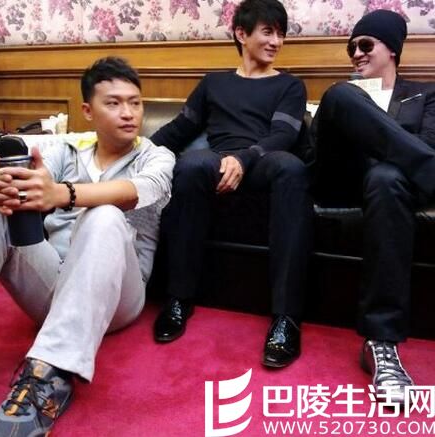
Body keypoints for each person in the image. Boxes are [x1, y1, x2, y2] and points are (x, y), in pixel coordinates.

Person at [0, 57, 175, 436]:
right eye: (114, 103)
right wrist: (14, 189)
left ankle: (49, 376)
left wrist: (61, 193)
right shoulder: (66, 151)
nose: (128, 113)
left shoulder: (156, 155)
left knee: (104, 215)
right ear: (88, 111)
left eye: (135, 103)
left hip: (118, 299)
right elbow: (37, 181)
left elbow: (135, 191)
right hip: (51, 283)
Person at [151, 0, 313, 368]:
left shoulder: (290, 85)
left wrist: (244, 158)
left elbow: (284, 135)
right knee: (191, 164)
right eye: (268, 32)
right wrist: (130, 153)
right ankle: (178, 298)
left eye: (281, 34)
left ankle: (286, 318)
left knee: (292, 169)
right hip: (217, 161)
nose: (276, 42)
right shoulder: (214, 83)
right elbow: (178, 130)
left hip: (265, 160)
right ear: (241, 33)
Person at [313, 10, 435, 403]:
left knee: (385, 177)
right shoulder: (349, 94)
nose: (356, 54)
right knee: (339, 93)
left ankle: (381, 342)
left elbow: (429, 143)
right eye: (351, 47)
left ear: (393, 50)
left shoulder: (425, 95)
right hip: (340, 181)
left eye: (365, 45)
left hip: (390, 190)